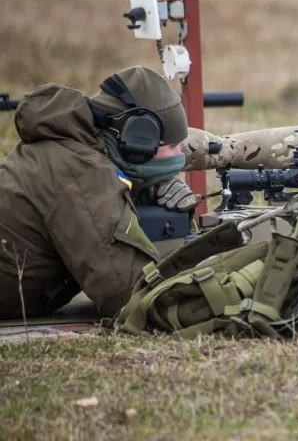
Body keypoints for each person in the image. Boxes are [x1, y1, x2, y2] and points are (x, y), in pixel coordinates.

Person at [0, 66, 200, 319]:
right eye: (171, 146)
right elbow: (129, 296)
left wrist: (148, 195)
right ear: (137, 140)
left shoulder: (74, 150)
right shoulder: (82, 173)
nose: (179, 155)